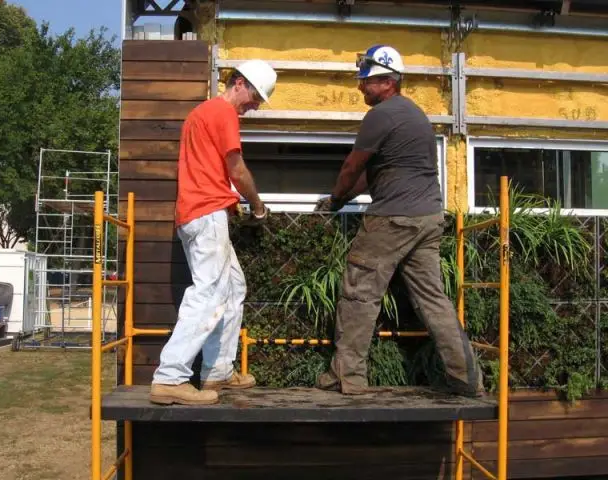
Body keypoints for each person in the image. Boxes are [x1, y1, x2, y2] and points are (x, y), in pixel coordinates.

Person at [314, 45, 483, 397]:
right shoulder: (414, 115)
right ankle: (467, 379)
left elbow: (353, 168)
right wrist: (344, 196)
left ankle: (349, 377)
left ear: (387, 82)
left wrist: (334, 199)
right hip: (428, 218)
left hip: (393, 218)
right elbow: (376, 174)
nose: (361, 87)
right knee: (433, 300)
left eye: (366, 81)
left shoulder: (381, 115)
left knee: (359, 292)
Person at [149, 60, 277, 405]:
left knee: (233, 287)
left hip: (199, 213)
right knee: (208, 293)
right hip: (206, 214)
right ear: (239, 83)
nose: (255, 105)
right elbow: (236, 168)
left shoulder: (201, 114)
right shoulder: (222, 114)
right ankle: (170, 376)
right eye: (255, 96)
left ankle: (217, 373)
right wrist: (258, 205)